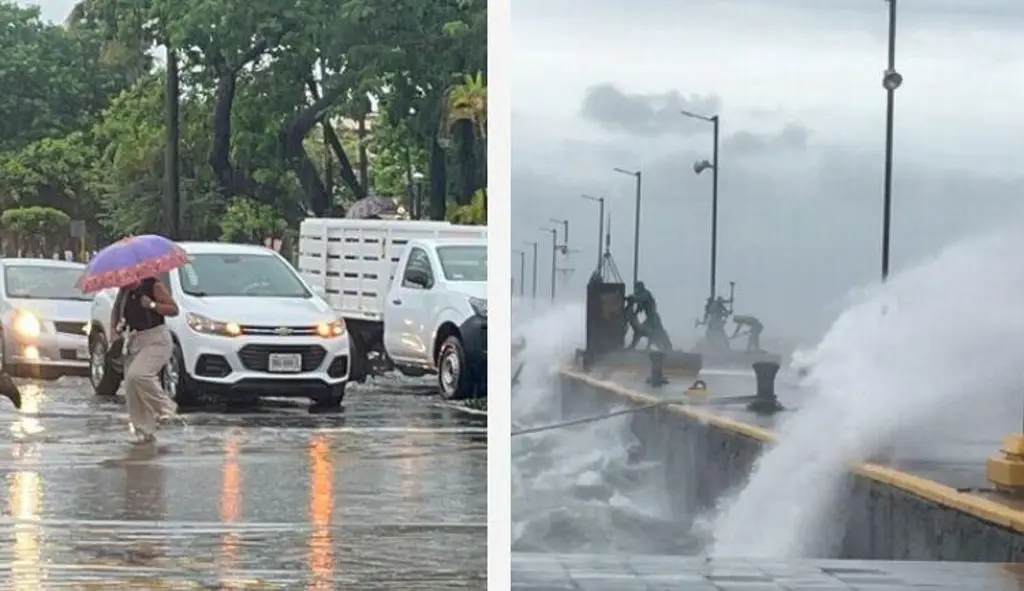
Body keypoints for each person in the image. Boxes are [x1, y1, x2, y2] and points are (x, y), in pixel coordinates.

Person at [110, 276, 180, 442]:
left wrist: (152, 305)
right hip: (134, 340)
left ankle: (166, 409)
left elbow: (174, 309)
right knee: (131, 386)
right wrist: (114, 331)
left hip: (156, 339)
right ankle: (144, 431)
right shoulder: (124, 291)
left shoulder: (153, 285)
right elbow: (116, 312)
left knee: (139, 375)